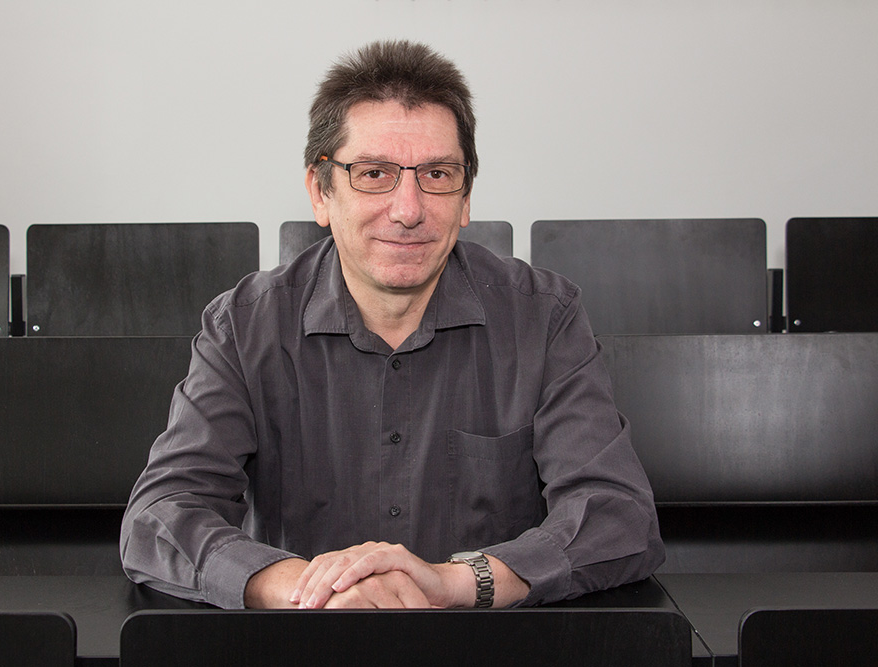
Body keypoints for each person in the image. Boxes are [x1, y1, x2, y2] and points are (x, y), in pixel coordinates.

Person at [120, 40, 664, 610]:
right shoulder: (243, 326)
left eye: (437, 174)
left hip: (490, 641)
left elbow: (616, 516)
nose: (408, 210)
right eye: (374, 173)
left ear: (466, 198)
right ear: (320, 192)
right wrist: (311, 590)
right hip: (304, 637)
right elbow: (162, 517)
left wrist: (453, 583)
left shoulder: (545, 317)